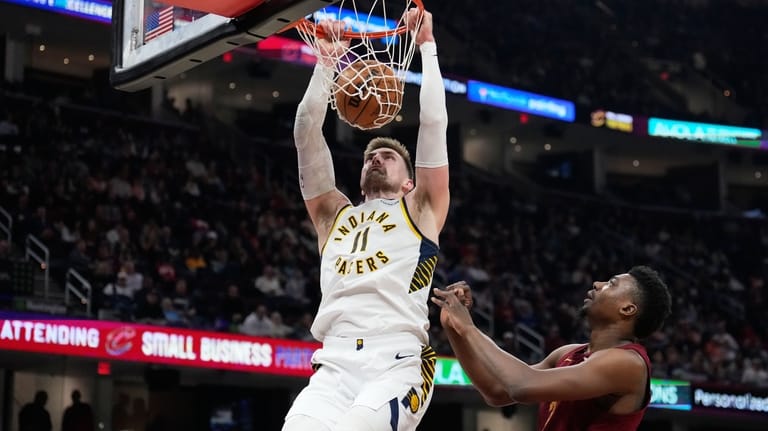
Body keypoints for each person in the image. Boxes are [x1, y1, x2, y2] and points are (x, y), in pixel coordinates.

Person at [282, 8, 450, 431]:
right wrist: (326, 62)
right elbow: (305, 130)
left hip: (396, 359)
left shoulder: (421, 209)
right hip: (333, 361)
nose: (376, 158)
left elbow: (432, 121)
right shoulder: (333, 216)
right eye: (370, 156)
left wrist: (426, 47)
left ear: (409, 182)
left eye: (388, 156)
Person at [432, 266, 672, 431]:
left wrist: (469, 329)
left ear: (628, 309)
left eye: (611, 283)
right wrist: (454, 329)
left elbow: (522, 386)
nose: (598, 284)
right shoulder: (568, 353)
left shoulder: (628, 364)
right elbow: (496, 391)